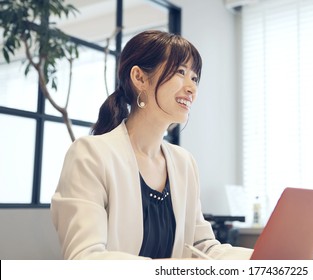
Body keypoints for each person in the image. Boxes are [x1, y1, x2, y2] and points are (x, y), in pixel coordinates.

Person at [51, 30, 252, 260]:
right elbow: (85, 258)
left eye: (195, 78)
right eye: (181, 72)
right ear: (139, 78)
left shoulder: (184, 163)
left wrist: (266, 260)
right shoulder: (90, 155)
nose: (192, 88)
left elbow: (202, 248)